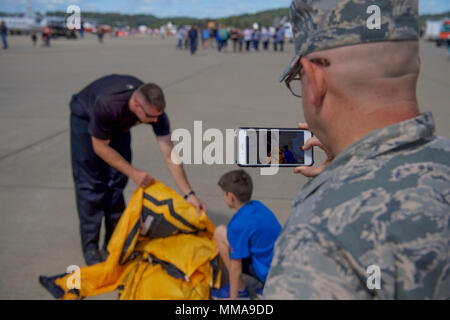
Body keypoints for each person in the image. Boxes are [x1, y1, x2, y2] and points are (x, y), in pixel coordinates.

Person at [264, 0, 450, 300]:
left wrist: (342, 186)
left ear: (315, 79)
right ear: (414, 64)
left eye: (297, 78)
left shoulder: (319, 235)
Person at [69, 74, 207, 265]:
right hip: (86, 120)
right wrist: (133, 172)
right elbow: (99, 146)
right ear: (135, 105)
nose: (156, 121)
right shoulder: (108, 104)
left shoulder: (154, 111)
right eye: (151, 117)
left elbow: (169, 153)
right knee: (91, 186)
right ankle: (90, 247)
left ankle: (113, 242)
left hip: (119, 125)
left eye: (159, 116)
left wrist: (189, 194)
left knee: (116, 183)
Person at [212, 170, 281, 300]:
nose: (224, 198)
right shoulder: (259, 206)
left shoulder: (237, 225)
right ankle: (262, 287)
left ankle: (241, 292)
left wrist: (233, 300)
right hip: (279, 266)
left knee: (219, 233)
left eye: (223, 195)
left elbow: (235, 269)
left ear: (230, 196)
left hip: (268, 275)